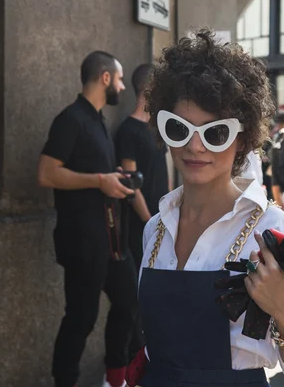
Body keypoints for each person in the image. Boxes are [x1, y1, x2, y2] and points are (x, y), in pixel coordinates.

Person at [129, 29, 284, 387]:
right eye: (179, 129)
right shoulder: (154, 229)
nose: (195, 146)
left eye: (215, 133)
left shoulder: (272, 229)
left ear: (242, 138)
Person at [37, 51, 138, 387]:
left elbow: (96, 172)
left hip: (110, 241)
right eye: (120, 79)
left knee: (129, 301)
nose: (123, 87)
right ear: (105, 78)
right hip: (82, 241)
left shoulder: (98, 122)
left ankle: (115, 378)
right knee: (81, 319)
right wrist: (99, 180)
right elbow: (46, 174)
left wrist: (114, 177)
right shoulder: (71, 119)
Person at [114, 63, 170, 359]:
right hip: (140, 227)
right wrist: (151, 222)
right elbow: (130, 182)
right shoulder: (128, 130)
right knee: (138, 296)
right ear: (149, 90)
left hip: (162, 223)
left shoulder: (157, 129)